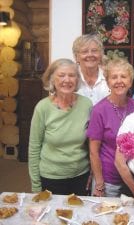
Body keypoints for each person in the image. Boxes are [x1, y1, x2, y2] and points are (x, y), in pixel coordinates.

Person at [28, 58, 93, 195]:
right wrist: (35, 186)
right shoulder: (43, 107)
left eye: (71, 75)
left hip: (81, 175)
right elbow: (34, 148)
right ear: (52, 79)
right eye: (61, 75)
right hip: (51, 177)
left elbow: (92, 143)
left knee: (79, 214)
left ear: (77, 80)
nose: (67, 80)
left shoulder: (86, 104)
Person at [86, 58, 134, 197]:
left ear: (130, 81)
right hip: (109, 181)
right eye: (114, 77)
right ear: (108, 82)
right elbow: (93, 152)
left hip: (133, 179)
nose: (119, 81)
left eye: (123, 76)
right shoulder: (99, 110)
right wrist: (99, 184)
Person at [72, 34, 110, 105]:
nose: (90, 55)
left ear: (101, 54)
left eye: (94, 51)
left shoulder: (109, 77)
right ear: (76, 57)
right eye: (84, 51)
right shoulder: (70, 79)